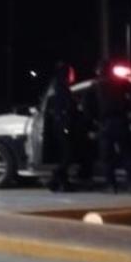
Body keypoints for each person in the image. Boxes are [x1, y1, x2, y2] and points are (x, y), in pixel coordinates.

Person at [93, 61, 131, 193]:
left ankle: (111, 185)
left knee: (107, 157)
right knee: (127, 154)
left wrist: (94, 121)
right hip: (121, 122)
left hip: (105, 124)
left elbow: (89, 107)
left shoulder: (96, 86)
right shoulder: (121, 84)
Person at [42, 63, 76, 192]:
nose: (73, 75)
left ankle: (62, 182)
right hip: (63, 126)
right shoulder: (63, 90)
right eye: (71, 72)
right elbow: (65, 109)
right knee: (68, 156)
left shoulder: (59, 87)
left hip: (59, 126)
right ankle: (55, 178)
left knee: (65, 155)